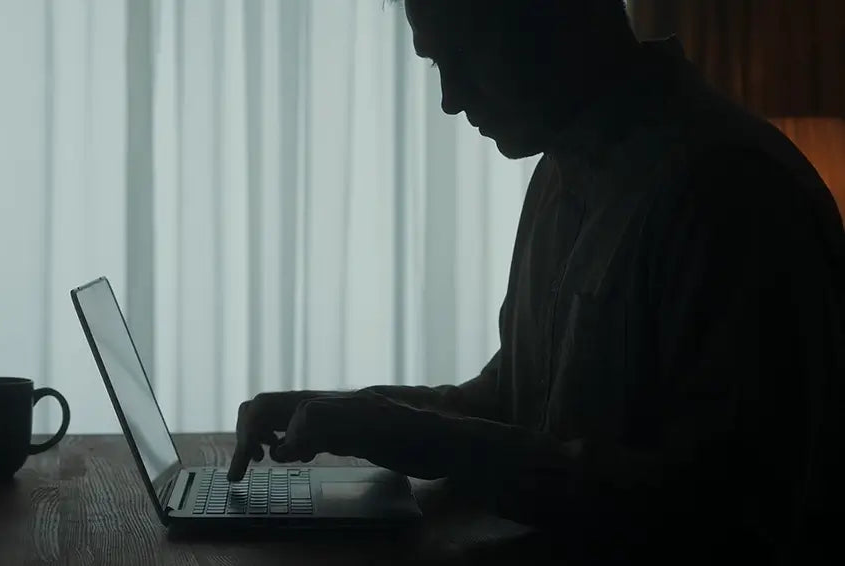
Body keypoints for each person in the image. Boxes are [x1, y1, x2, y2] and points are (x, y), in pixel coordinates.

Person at [228, 0, 845, 562]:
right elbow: (514, 403)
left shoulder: (730, 192)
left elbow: (716, 512)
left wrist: (416, 436)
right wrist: (351, 415)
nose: (450, 97)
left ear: (550, 18)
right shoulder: (563, 170)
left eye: (461, 55)